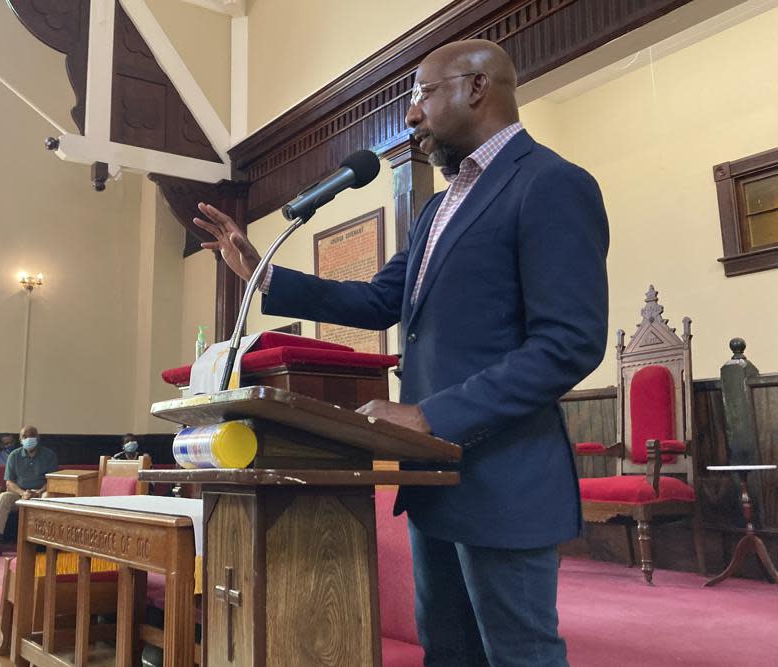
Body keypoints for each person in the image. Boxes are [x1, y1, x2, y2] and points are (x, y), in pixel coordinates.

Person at [193, 40, 609, 667]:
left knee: (518, 655)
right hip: (432, 478)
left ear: (476, 88)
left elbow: (568, 343)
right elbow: (381, 300)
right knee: (446, 651)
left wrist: (430, 417)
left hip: (503, 477)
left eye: (421, 94)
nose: (411, 115)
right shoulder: (438, 207)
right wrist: (266, 274)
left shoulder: (552, 184)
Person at [0, 426, 57, 557]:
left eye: (32, 435)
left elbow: (52, 480)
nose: (29, 439)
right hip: (20, 492)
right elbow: (9, 482)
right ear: (20, 440)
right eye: (25, 436)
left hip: (41, 491)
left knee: (49, 496)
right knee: (3, 497)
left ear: (38, 437)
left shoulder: (49, 455)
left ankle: (43, 543)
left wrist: (39, 492)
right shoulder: (14, 456)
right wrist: (23, 493)